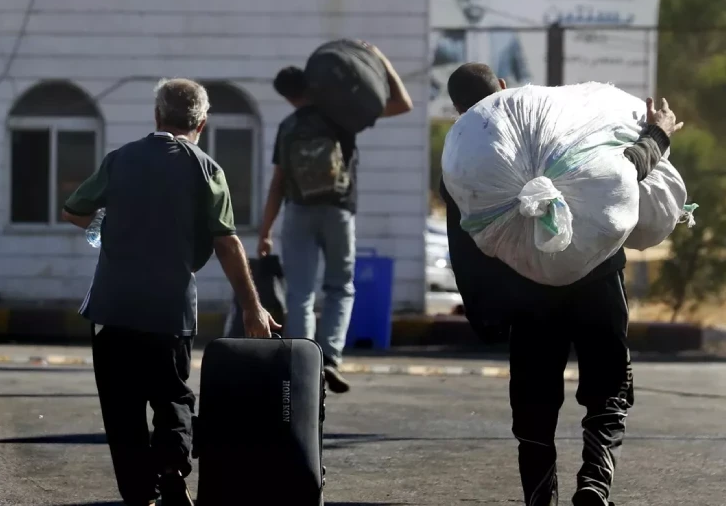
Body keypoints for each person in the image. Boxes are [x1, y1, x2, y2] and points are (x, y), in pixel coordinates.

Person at [442, 63, 679, 506]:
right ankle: (594, 481)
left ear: (457, 109)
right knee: (609, 387)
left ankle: (539, 497)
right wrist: (659, 135)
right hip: (599, 281)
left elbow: (465, 247)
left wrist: (486, 313)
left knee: (533, 400)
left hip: (528, 294)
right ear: (506, 89)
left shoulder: (464, 167)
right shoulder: (554, 131)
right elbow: (620, 173)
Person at [61, 78, 279, 506]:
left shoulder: (120, 159)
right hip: (170, 310)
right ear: (203, 122)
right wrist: (253, 308)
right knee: (173, 396)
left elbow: (73, 210)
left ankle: (139, 496)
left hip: (112, 308)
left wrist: (109, 223)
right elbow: (227, 242)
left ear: (157, 116)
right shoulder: (207, 169)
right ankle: (172, 470)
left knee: (122, 412)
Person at [256, 54, 414, 394]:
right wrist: (383, 62)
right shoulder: (340, 118)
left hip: (298, 212)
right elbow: (403, 104)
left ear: (287, 96)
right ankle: (329, 358)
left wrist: (266, 230)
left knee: (300, 292)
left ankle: (301, 362)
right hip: (338, 210)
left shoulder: (287, 127)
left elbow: (277, 183)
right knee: (340, 286)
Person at [431, 0, 532, 100]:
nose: (473, 3)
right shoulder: (447, 40)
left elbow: (524, 77)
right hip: (462, 108)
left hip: (499, 106)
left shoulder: (506, 36)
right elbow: (433, 83)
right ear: (458, 2)